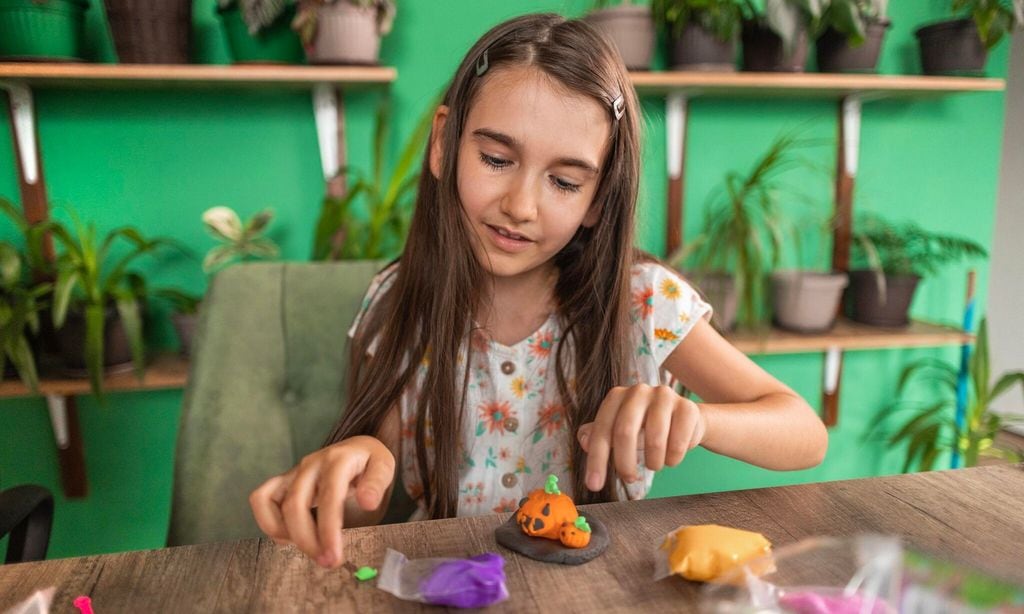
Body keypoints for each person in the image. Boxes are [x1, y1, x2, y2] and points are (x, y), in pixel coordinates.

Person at [250, 12, 828, 570]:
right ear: (444, 142)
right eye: (496, 159)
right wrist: (341, 481)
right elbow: (368, 490)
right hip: (456, 581)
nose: (520, 206)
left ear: (598, 198)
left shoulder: (643, 303)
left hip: (600, 585)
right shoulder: (400, 299)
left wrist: (697, 422)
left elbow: (803, 432)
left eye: (564, 181)